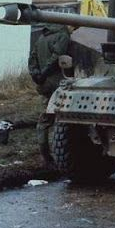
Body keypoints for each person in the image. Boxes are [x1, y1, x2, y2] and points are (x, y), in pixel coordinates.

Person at [28, 23, 71, 166]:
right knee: (63, 119)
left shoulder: (41, 37)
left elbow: (32, 58)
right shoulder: (63, 35)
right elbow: (57, 57)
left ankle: (46, 156)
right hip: (58, 82)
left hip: (44, 83)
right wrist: (45, 72)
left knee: (44, 121)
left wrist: (36, 75)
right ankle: (58, 156)